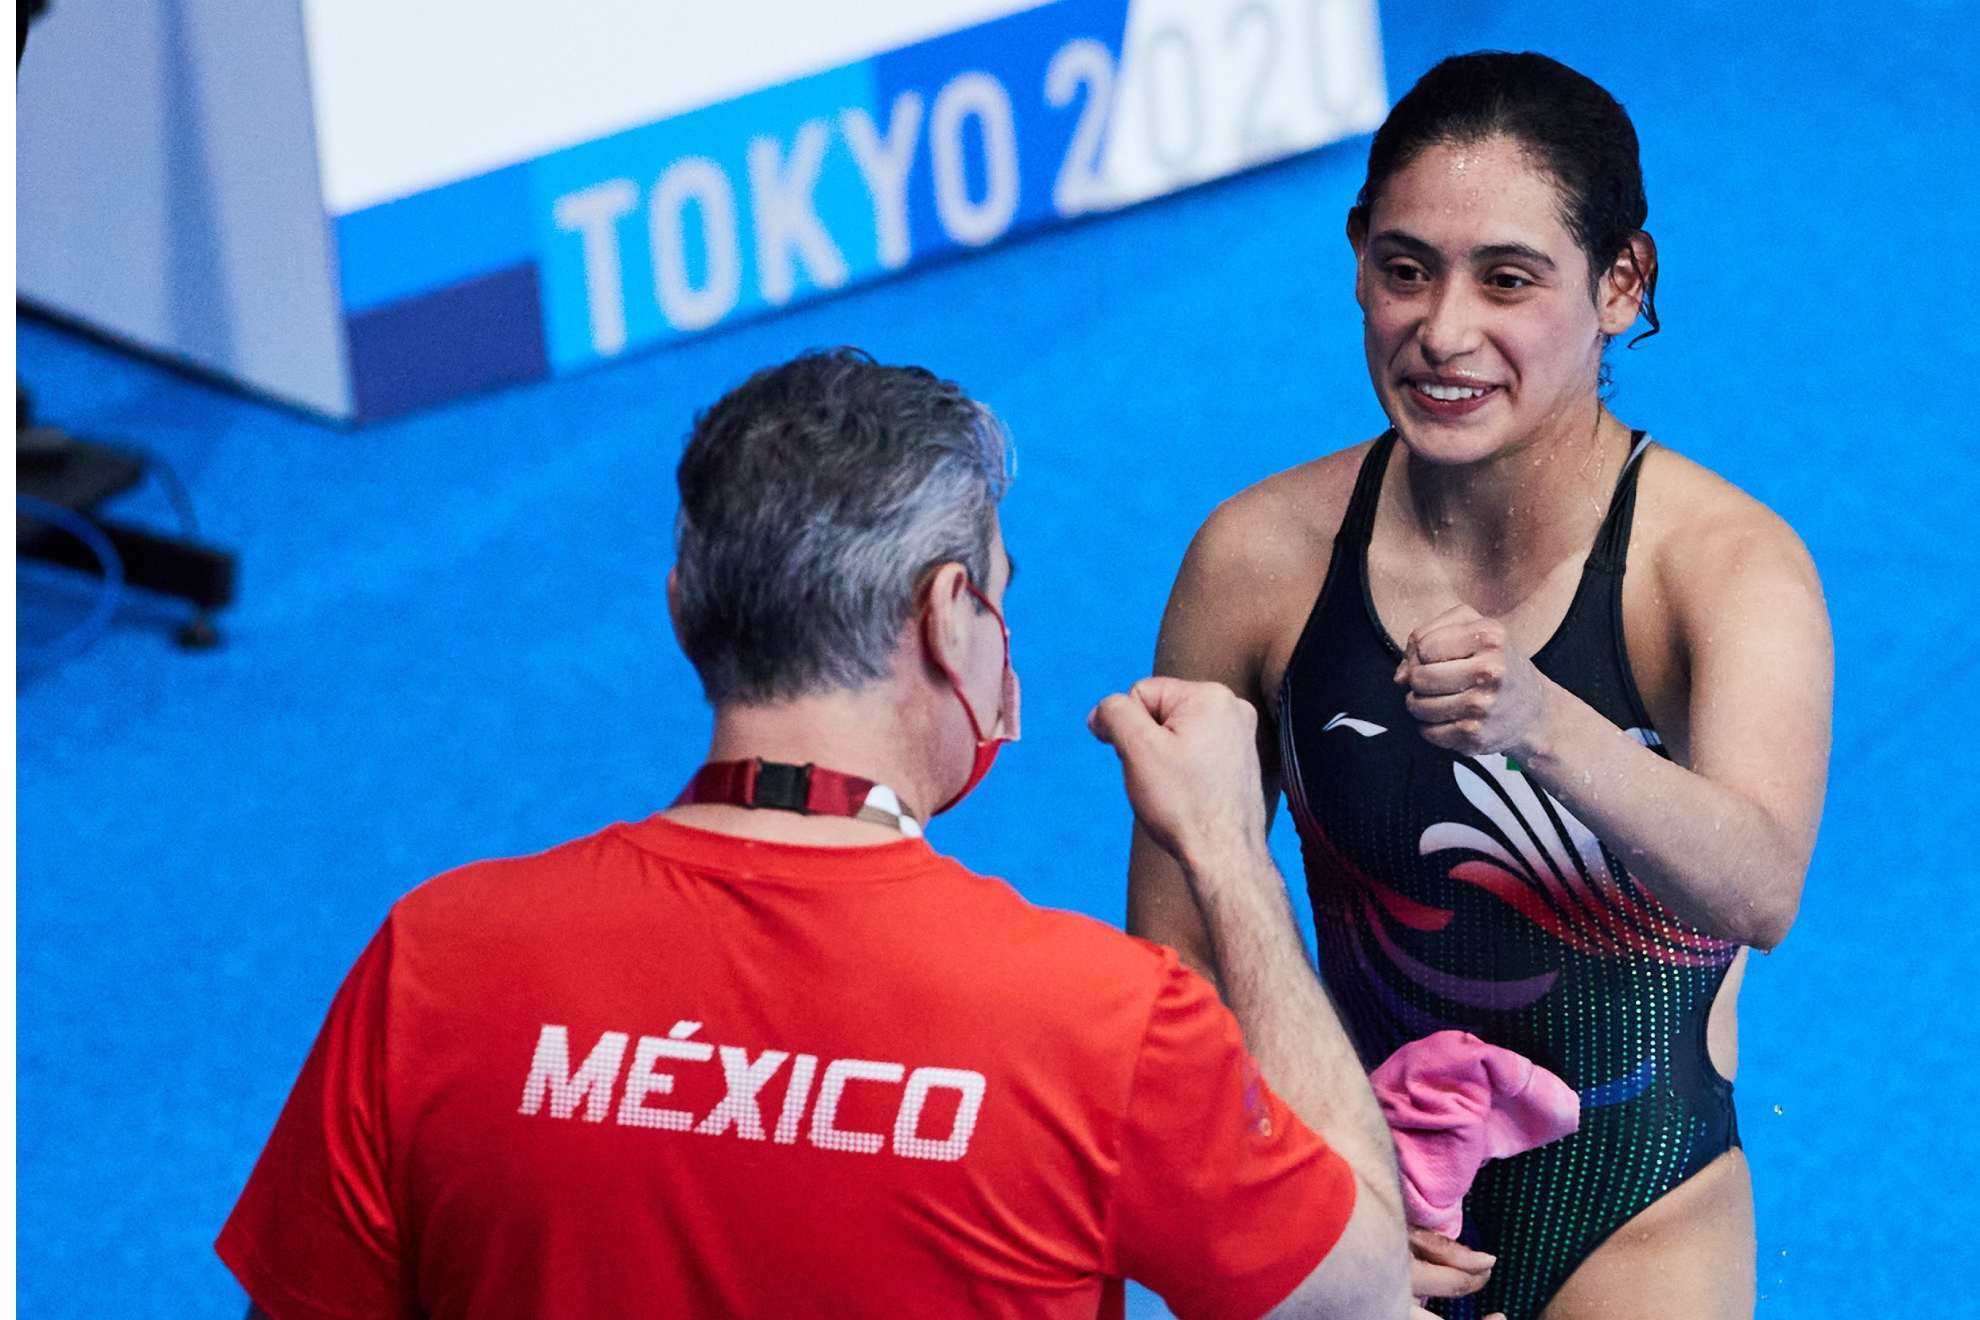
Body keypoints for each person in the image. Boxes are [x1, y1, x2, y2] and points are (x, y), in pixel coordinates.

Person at [216, 348, 1423, 1318]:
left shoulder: (435, 958)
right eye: (995, 594)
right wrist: (1228, 853)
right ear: (950, 618)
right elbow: (1362, 1295)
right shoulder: (1100, 1024)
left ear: (688, 605)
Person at [1126, 52, 1832, 1320]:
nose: (1444, 331)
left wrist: (1543, 724)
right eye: (1405, 270)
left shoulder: (1721, 568)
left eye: (1508, 280)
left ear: (1622, 285)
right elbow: (1174, 961)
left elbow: (1761, 886)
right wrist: (1309, 1185)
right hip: (1351, 1185)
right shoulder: (1259, 563)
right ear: (1356, 260)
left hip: (1639, 1206)